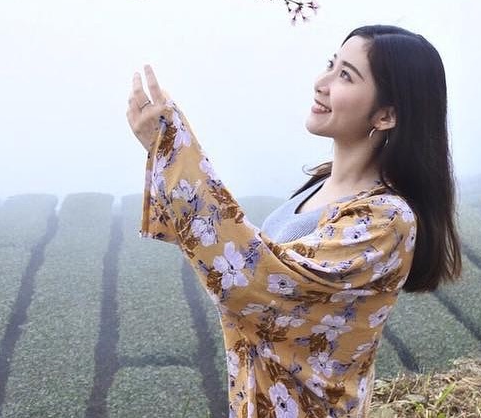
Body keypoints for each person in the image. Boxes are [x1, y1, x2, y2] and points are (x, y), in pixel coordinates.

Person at [127, 24, 462, 417]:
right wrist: (165, 150)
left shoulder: (386, 221)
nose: (321, 83)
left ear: (387, 114)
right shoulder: (320, 184)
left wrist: (172, 148)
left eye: (345, 76)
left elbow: (253, 284)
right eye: (331, 65)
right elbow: (251, 262)